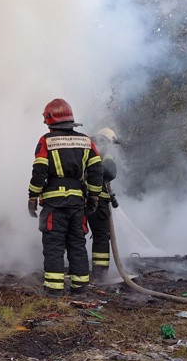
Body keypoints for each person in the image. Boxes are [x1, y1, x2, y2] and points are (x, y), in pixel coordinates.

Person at [27, 98, 103, 297]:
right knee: (77, 244)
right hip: (77, 204)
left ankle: (54, 290)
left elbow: (39, 172)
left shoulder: (46, 141)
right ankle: (80, 288)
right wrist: (94, 197)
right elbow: (96, 171)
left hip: (54, 205)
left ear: (50, 120)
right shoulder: (86, 141)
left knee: (54, 246)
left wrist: (32, 197)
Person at [87, 127, 119, 284]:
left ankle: (78, 271)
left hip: (77, 199)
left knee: (75, 235)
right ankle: (100, 275)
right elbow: (110, 172)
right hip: (98, 200)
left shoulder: (86, 146)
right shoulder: (106, 150)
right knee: (101, 236)